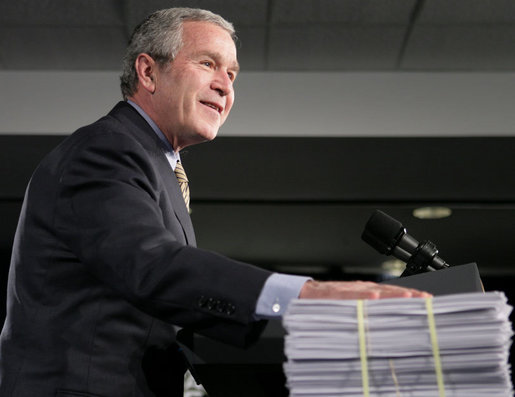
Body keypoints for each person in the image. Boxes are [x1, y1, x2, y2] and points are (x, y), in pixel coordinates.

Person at [0, 8, 429, 397]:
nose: (225, 85)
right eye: (207, 63)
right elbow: (151, 266)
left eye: (233, 74)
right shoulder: (105, 151)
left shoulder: (155, 164)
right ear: (148, 72)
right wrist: (305, 294)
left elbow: (148, 309)